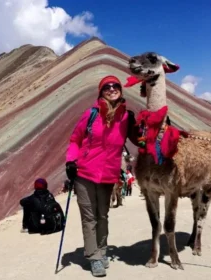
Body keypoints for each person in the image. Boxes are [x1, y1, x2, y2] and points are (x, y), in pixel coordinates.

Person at [65, 75, 139, 277]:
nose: (112, 89)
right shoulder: (91, 114)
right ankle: (94, 257)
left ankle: (102, 251)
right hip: (85, 172)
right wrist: (71, 161)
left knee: (102, 216)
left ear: (121, 91)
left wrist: (159, 129)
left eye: (116, 86)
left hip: (108, 175)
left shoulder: (126, 117)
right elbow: (75, 139)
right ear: (101, 92)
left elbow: (140, 139)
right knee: (89, 217)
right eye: (107, 86)